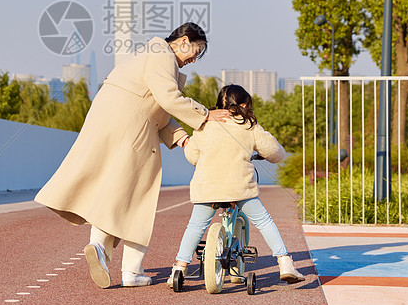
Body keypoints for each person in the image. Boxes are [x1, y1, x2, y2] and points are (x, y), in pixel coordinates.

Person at [35, 23, 229, 288]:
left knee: (115, 192)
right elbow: (169, 99)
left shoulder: (149, 55)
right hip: (133, 130)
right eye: (197, 50)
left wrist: (181, 138)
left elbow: (157, 108)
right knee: (138, 197)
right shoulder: (162, 55)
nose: (195, 58)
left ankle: (107, 253)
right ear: (183, 41)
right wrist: (206, 114)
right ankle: (124, 266)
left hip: (116, 122)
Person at [167, 84, 305, 287]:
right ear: (241, 104)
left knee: (195, 226)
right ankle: (285, 263)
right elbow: (276, 153)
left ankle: (179, 269)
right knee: (264, 221)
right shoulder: (247, 125)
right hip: (239, 188)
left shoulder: (204, 124)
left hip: (207, 188)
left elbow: (192, 155)